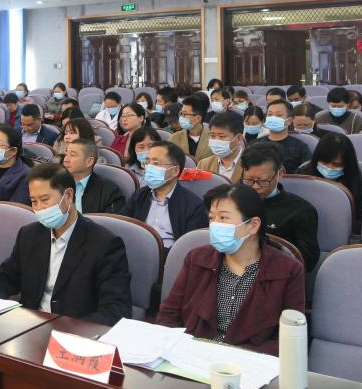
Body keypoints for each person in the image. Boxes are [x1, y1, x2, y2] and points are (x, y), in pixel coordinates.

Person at [157, 183, 306, 355]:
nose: (214, 225)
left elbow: (288, 338)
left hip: (249, 361)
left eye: (223, 218)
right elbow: (168, 315)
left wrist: (235, 357)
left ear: (253, 225)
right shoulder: (197, 259)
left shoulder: (287, 270)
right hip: (192, 354)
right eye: (212, 218)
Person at [0, 162, 131, 325]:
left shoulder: (104, 244)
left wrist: (67, 331)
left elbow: (115, 310)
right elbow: (1, 280)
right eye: (34, 201)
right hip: (29, 326)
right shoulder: (29, 235)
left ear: (68, 196)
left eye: (44, 200)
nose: (39, 208)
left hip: (74, 331)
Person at [239, 143, 319, 271]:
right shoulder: (232, 201)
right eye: (249, 180)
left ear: (280, 174)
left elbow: (307, 261)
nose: (255, 186)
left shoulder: (300, 210)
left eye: (263, 181)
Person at [123, 141, 208, 248]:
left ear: (175, 171)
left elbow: (189, 248)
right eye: (147, 162)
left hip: (170, 255)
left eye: (156, 163)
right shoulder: (139, 195)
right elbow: (123, 226)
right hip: (136, 250)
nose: (149, 167)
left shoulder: (193, 206)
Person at [298, 133, 362, 233]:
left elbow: (360, 220)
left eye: (336, 164)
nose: (329, 168)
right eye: (324, 162)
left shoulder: (359, 184)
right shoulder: (302, 176)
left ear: (347, 164)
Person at [62, 138, 124, 214]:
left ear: (89, 161)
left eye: (72, 155)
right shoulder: (55, 183)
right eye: (66, 154)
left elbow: (110, 220)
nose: (65, 160)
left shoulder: (109, 191)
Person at [259, 101, 311, 174]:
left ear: (289, 120)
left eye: (278, 115)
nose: (273, 118)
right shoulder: (255, 144)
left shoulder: (300, 147)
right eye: (270, 114)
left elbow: (307, 174)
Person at [197, 110, 245, 182]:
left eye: (222, 136)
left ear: (238, 138)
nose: (216, 140)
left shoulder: (251, 164)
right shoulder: (204, 164)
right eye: (212, 136)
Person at [170, 94, 213, 162]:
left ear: (197, 118)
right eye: (181, 113)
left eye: (184, 114)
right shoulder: (175, 138)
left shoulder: (213, 137)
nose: (181, 117)